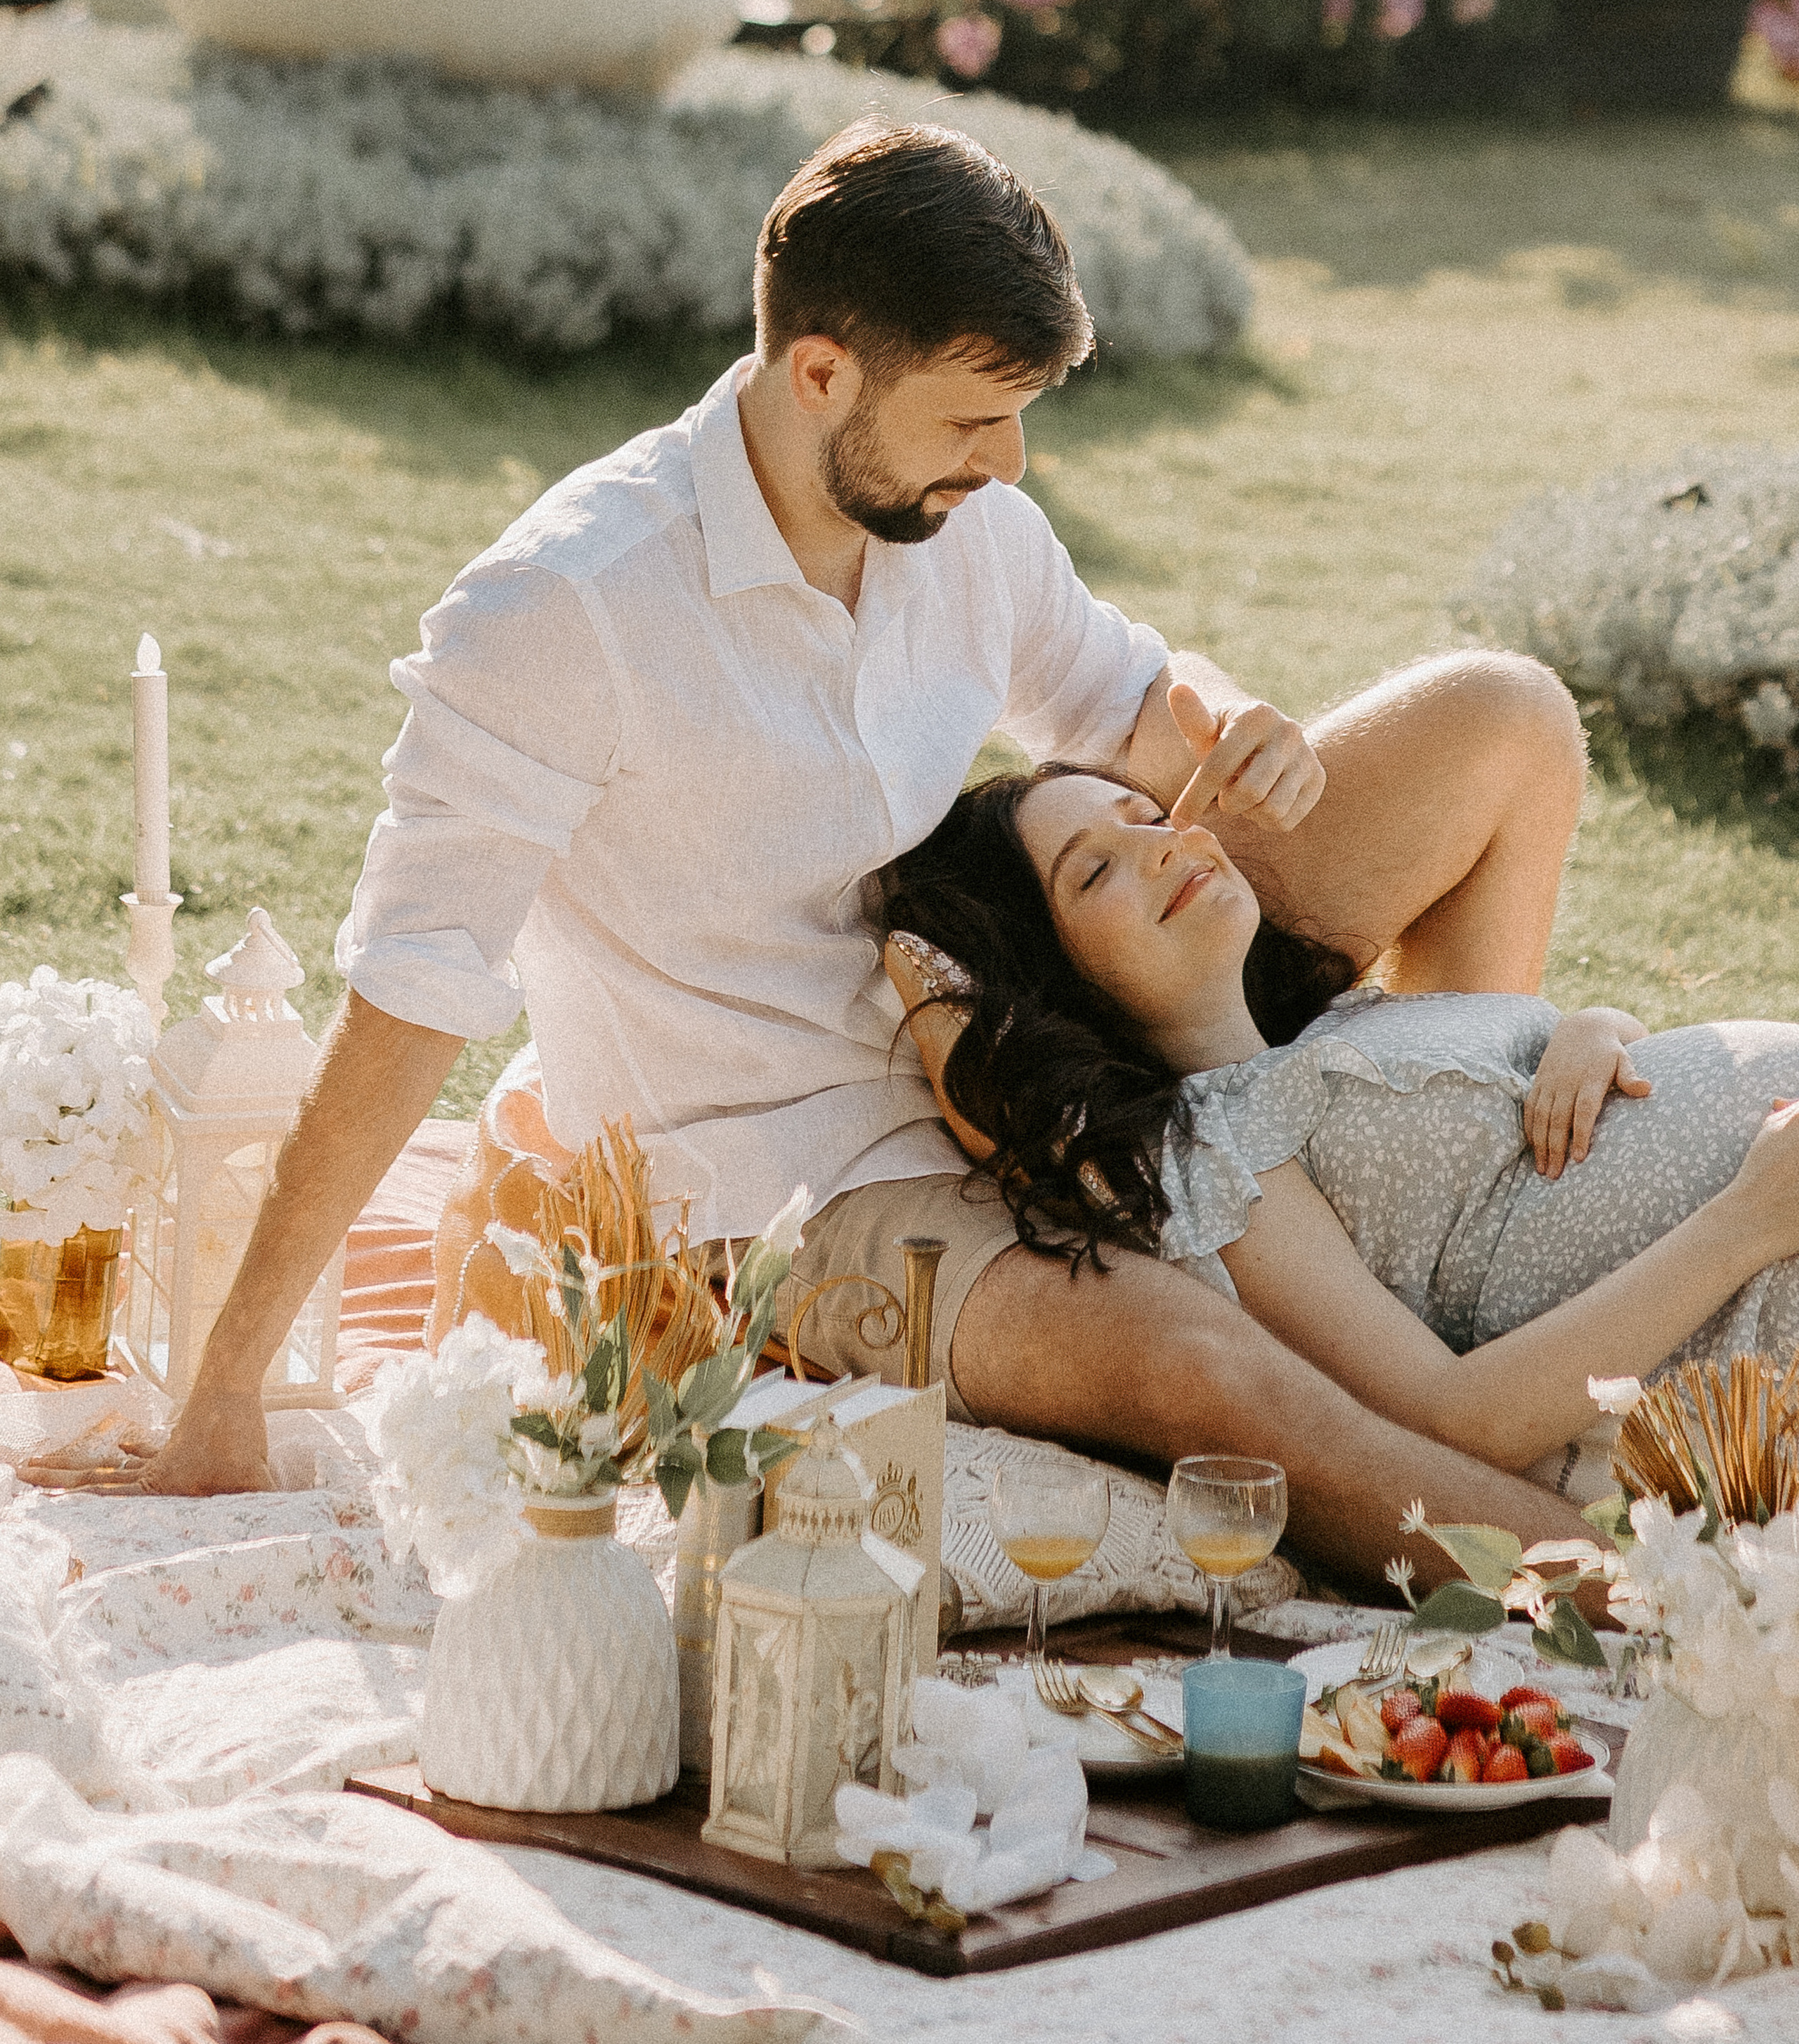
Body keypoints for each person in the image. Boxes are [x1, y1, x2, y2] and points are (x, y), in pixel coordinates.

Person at [108, 115, 1593, 1594]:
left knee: (1498, 722)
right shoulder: (562, 613)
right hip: (803, 1184)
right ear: (819, 373)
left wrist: (1228, 717)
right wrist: (227, 1386)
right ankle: (1621, 1593)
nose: (1008, 464)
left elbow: (1129, 701)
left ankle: (1460, 1228)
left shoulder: (969, 525)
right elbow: (410, 991)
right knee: (1197, 1366)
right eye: (970, 419)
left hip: (1037, 1009)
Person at [880, 760, 1799, 1480]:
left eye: (1149, 817)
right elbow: (1456, 1418)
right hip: (1763, 1283)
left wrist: (1595, 1034)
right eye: (1094, 871)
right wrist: (1745, 1225)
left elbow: (1560, 1099)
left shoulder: (1342, 1025)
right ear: (1053, 980)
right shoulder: (1218, 1160)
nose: (1164, 846)